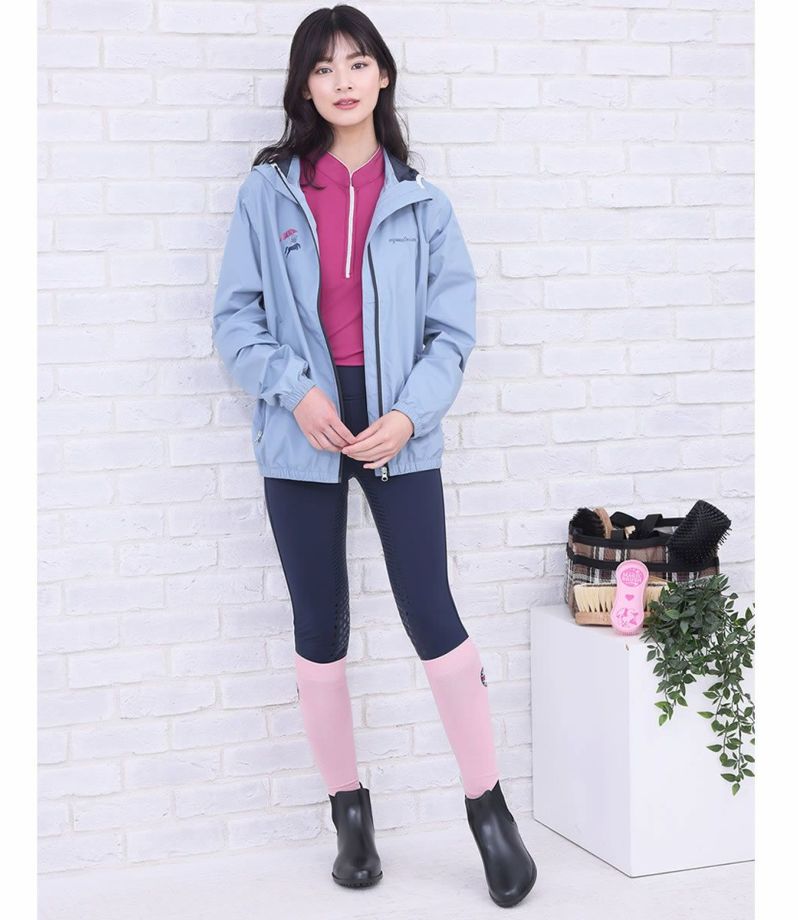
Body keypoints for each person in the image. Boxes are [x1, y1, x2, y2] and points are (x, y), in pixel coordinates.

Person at [212, 5, 537, 909]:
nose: (342, 81)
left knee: (432, 611)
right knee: (319, 626)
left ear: (383, 75)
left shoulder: (424, 205)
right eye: (323, 68)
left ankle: (489, 811)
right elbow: (235, 319)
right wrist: (296, 392)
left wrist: (407, 415)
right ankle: (349, 818)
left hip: (400, 432)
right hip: (301, 433)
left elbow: (451, 333)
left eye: (357, 63)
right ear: (304, 87)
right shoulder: (268, 193)